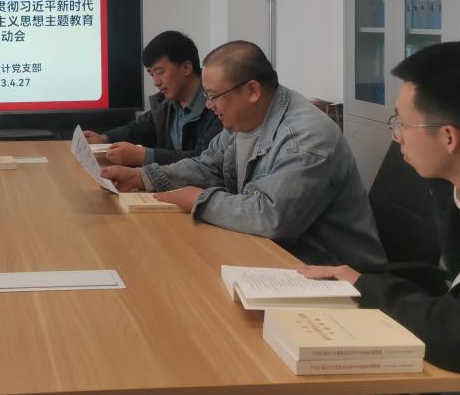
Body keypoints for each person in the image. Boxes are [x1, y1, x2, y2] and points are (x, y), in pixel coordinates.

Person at [299, 42, 460, 395]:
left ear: (449, 137)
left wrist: (365, 287)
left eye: (401, 122)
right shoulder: (453, 185)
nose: (396, 135)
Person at [102, 40, 385, 267]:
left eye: (214, 96)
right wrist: (143, 177)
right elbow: (207, 166)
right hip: (278, 256)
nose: (209, 106)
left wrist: (199, 200)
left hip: (334, 274)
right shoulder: (245, 120)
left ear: (251, 90)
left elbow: (271, 218)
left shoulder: (305, 138)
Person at [83, 30, 221, 166]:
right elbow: (139, 128)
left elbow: (204, 160)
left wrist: (144, 156)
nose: (156, 82)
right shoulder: (166, 103)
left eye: (160, 72)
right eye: (151, 74)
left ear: (186, 68)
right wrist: (104, 139)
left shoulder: (218, 107)